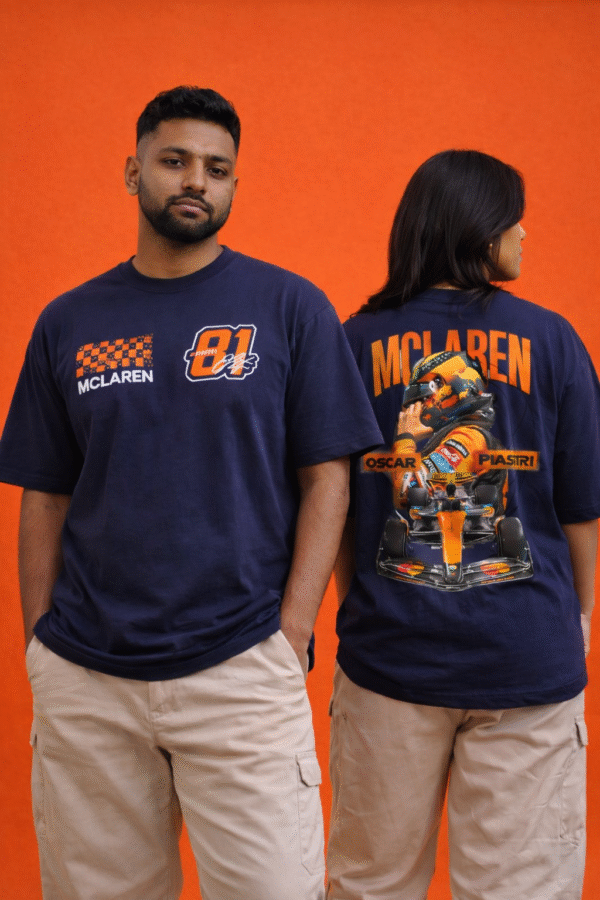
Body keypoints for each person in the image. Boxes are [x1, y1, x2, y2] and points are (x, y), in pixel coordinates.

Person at [0, 86, 382, 900]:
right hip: (88, 678)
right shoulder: (71, 321)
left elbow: (329, 480)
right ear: (132, 170)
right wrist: (40, 645)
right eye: (174, 160)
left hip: (240, 667)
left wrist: (290, 633)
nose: (195, 181)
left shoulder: (289, 307)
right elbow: (45, 495)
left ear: (235, 184)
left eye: (217, 168)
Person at [326, 150, 600, 900]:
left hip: (392, 649)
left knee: (371, 887)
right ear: (481, 230)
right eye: (514, 219)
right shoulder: (552, 340)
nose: (524, 234)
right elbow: (582, 508)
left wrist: (364, 600)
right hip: (524, 653)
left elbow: (337, 507)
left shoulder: (355, 342)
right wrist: (577, 617)